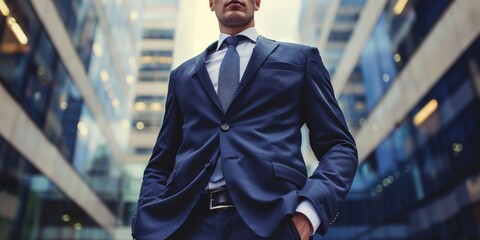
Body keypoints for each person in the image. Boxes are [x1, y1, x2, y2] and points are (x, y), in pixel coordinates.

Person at [132, 0, 358, 239]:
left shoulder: (300, 59)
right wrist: (149, 222)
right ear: (211, 3)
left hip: (274, 223)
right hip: (189, 226)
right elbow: (161, 164)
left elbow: (339, 146)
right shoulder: (181, 76)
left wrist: (306, 217)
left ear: (257, 2)